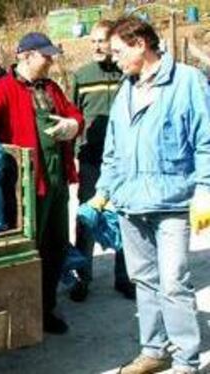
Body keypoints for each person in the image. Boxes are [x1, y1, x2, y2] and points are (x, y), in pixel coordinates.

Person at [91, 16, 210, 374]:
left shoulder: (188, 81)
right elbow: (113, 148)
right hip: (130, 203)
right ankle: (154, 350)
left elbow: (206, 141)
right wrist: (102, 192)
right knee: (144, 279)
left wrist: (205, 190)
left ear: (140, 43)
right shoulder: (127, 89)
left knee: (174, 283)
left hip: (172, 201)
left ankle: (186, 362)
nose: (112, 59)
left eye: (117, 51)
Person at [0, 32, 84, 335]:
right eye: (46, 55)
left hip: (57, 185)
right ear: (27, 56)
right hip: (29, 189)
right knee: (31, 251)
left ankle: (46, 310)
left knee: (56, 248)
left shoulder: (51, 88)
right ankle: (22, 314)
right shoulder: (3, 89)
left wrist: (73, 125)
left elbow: (75, 116)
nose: (51, 59)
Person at [68, 19, 135, 302]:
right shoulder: (82, 75)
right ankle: (83, 278)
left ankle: (124, 277)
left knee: (124, 217)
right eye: (92, 41)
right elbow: (73, 117)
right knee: (87, 217)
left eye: (101, 41)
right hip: (92, 159)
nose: (96, 46)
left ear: (113, 43)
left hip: (124, 161)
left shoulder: (127, 74)